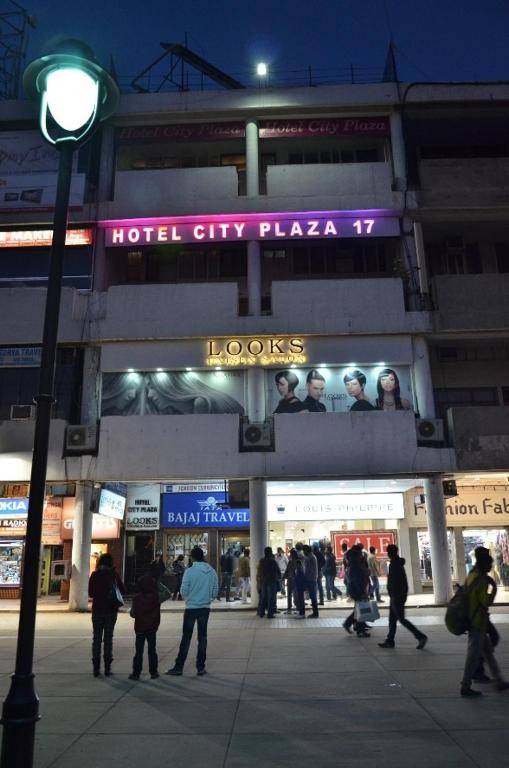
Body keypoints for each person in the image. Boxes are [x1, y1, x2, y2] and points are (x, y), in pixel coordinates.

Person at [460, 546, 509, 697]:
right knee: (473, 655)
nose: (491, 567)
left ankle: (499, 681)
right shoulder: (481, 580)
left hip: (475, 620)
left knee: (488, 653)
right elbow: (486, 602)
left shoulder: (472, 574)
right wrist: (493, 588)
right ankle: (465, 686)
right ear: (484, 564)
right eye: (490, 564)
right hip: (477, 622)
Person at [167, 546, 218, 677]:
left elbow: (183, 591)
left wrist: (189, 599)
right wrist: (208, 599)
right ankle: (200, 667)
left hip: (191, 608)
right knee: (203, 637)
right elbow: (215, 590)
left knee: (186, 638)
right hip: (205, 608)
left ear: (193, 558)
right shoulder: (211, 571)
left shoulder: (189, 571)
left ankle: (179, 667)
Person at [378, 544, 427, 650]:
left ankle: (420, 636)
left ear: (391, 553)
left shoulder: (395, 564)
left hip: (396, 596)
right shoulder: (396, 563)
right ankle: (390, 640)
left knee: (401, 619)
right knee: (392, 619)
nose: (388, 554)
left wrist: (394, 594)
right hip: (396, 596)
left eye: (389, 552)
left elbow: (395, 582)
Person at [88, 552, 126, 677]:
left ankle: (96, 669)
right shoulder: (113, 575)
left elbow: (91, 593)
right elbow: (123, 590)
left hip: (97, 611)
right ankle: (107, 668)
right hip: (111, 611)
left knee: (96, 639)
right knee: (108, 639)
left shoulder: (94, 575)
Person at [129, 574, 160, 681]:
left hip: (140, 627)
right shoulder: (156, 598)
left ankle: (136, 673)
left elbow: (133, 614)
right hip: (152, 627)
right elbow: (166, 593)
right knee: (152, 651)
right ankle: (154, 672)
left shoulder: (137, 598)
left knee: (138, 652)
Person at [343, 545, 370, 637]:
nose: (361, 555)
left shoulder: (354, 564)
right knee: (361, 610)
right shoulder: (355, 566)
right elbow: (357, 580)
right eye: (360, 554)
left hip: (356, 589)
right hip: (358, 590)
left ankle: (350, 624)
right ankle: (359, 630)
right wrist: (362, 592)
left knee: (359, 609)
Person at [257, 547, 281, 619]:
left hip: (263, 581)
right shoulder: (272, 561)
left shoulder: (261, 561)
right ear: (270, 552)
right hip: (271, 581)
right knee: (271, 598)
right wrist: (279, 577)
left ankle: (261, 612)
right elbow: (277, 570)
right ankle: (270, 614)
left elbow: (259, 570)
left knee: (263, 597)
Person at [302, 544, 319, 618]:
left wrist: (305, 578)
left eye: (304, 551)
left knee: (313, 596)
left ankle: (315, 613)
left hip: (311, 579)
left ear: (307, 550)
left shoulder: (310, 558)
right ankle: (315, 613)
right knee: (312, 596)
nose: (303, 552)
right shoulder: (311, 557)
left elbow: (309, 570)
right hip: (311, 579)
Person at [283, 549, 299, 614]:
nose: (290, 555)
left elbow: (299, 571)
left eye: (291, 554)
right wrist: (283, 577)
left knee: (295, 594)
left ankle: (297, 608)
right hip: (290, 580)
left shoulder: (298, 562)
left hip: (295, 580)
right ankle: (289, 608)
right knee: (289, 594)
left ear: (294, 554)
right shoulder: (290, 561)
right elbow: (287, 570)